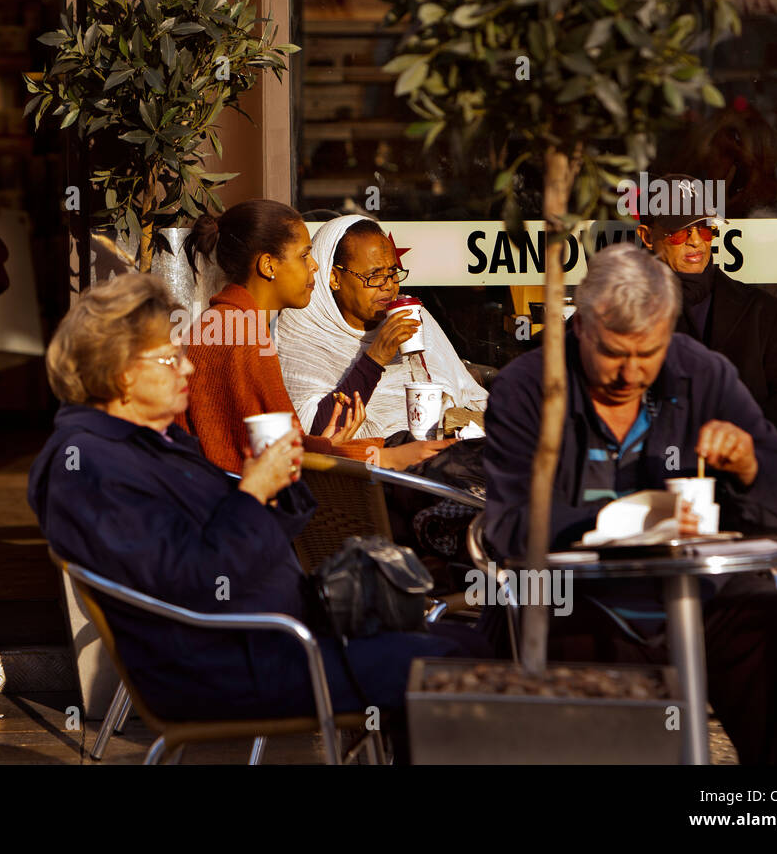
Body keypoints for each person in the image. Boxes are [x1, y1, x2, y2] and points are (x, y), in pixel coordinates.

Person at [27, 273, 489, 740]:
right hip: (228, 665)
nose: (187, 369)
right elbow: (195, 579)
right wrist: (250, 494)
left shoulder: (153, 442)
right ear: (122, 372)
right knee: (455, 666)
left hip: (275, 637)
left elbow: (264, 532)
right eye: (170, 359)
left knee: (475, 640)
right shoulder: (87, 465)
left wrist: (282, 479)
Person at [483, 244, 777, 764]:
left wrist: (750, 466)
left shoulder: (700, 371)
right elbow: (507, 525)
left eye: (647, 354)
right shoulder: (526, 387)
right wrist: (618, 523)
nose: (629, 374)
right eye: (613, 354)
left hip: (703, 600)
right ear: (581, 329)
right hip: (577, 603)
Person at [178, 199, 448, 473]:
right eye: (304, 255)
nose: (315, 267)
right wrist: (383, 457)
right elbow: (260, 461)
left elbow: (278, 445)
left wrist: (328, 446)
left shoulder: (233, 323)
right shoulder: (238, 333)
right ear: (268, 266)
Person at [635, 174, 777, 449]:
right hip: (649, 478)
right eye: (679, 231)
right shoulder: (621, 311)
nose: (695, 242)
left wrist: (738, 438)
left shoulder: (764, 313)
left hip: (742, 480)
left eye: (703, 229)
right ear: (647, 236)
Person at [274, 214, 487, 440]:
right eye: (374, 276)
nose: (388, 287)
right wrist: (375, 358)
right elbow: (316, 433)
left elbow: (464, 394)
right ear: (334, 277)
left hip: (434, 456)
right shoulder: (304, 328)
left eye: (393, 273)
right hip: (359, 467)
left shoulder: (409, 315)